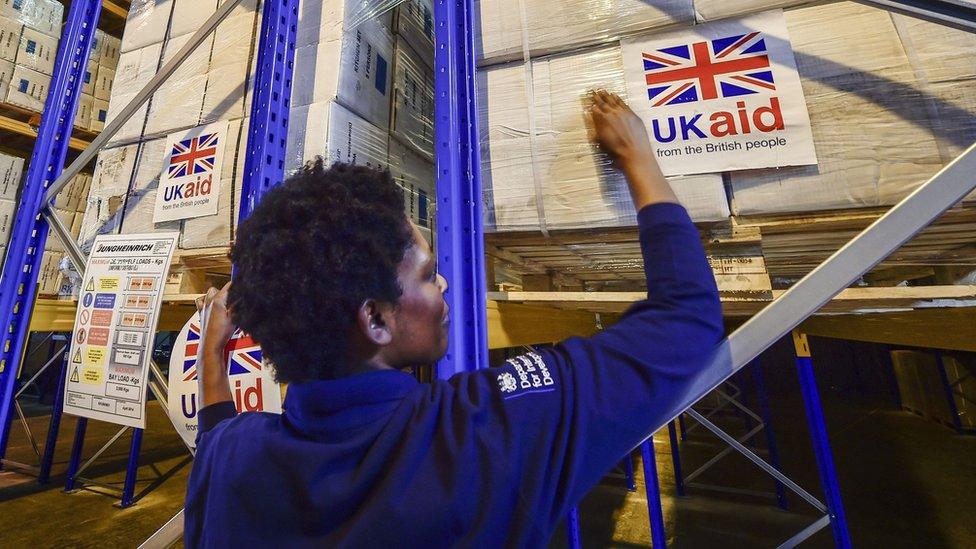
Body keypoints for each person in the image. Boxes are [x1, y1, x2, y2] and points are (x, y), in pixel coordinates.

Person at [184, 91, 723, 547]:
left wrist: (213, 349)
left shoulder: (234, 463)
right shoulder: (486, 431)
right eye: (426, 275)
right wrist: (638, 158)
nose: (442, 285)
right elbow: (687, 317)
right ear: (375, 319)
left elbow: (216, 427)